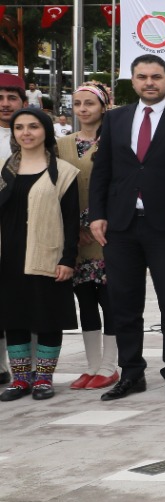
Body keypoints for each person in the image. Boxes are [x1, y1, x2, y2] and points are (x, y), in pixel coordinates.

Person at [88, 53, 165, 400]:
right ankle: (132, 373)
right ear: (133, 81)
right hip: (121, 226)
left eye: (156, 76)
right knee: (124, 303)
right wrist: (97, 214)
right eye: (142, 77)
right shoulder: (117, 119)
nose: (149, 83)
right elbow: (103, 171)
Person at [0, 107, 80, 401]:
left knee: (48, 316)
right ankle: (20, 380)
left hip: (47, 256)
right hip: (8, 257)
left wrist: (67, 259)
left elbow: (72, 220)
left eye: (33, 126)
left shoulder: (64, 173)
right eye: (19, 127)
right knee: (14, 317)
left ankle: (44, 378)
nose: (26, 133)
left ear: (45, 131)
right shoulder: (3, 170)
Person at [61, 82, 118, 390]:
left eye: (90, 103)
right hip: (76, 237)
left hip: (107, 235)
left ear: (103, 107)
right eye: (78, 103)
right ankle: (93, 366)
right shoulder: (62, 144)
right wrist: (73, 229)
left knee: (110, 302)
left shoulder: (114, 142)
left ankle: (110, 366)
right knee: (85, 303)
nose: (83, 109)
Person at [0, 73, 22, 385]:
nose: (5, 104)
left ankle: (25, 368)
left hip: (22, 230)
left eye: (11, 97)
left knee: (19, 300)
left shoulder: (32, 135)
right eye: (1, 97)